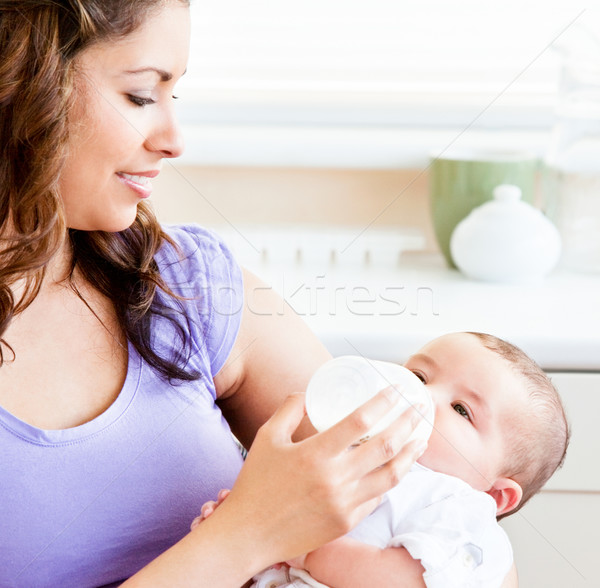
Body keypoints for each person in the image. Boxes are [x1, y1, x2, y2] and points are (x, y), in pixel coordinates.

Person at [0, 1, 518, 586]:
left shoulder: (185, 287)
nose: (174, 140)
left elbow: (477, 559)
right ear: (18, 80)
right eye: (142, 95)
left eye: (177, 96)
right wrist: (249, 534)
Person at [220, 332, 568, 588]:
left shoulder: (458, 507)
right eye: (418, 377)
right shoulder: (344, 453)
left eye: (461, 410)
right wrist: (235, 519)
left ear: (495, 494)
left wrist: (303, 549)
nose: (422, 396)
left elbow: (405, 581)